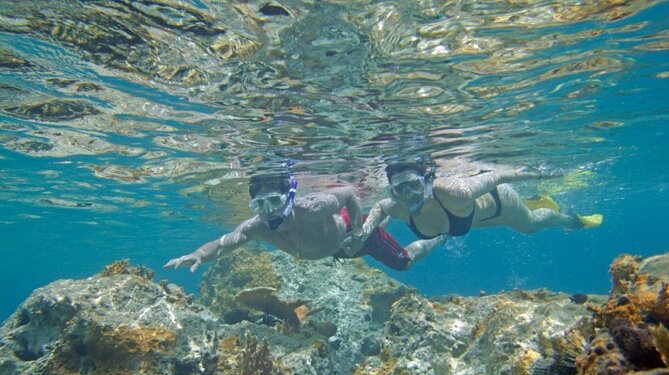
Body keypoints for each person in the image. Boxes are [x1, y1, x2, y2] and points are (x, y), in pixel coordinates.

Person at [164, 170, 443, 273]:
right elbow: (224, 244)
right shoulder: (256, 226)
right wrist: (199, 255)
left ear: (289, 197)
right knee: (378, 227)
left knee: (404, 262)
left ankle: (438, 236)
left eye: (274, 201)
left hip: (348, 236)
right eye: (259, 205)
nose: (268, 212)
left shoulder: (311, 208)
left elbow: (348, 194)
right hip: (333, 250)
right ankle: (380, 220)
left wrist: (359, 230)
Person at [344, 155, 602, 253]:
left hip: (501, 203)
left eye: (415, 185)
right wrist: (362, 234)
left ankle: (568, 219)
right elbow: (378, 208)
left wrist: (544, 173)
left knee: (531, 225)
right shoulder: (397, 206)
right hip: (476, 221)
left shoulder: (456, 193)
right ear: (393, 192)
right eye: (400, 189)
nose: (410, 195)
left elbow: (501, 175)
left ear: (427, 182)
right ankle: (535, 202)